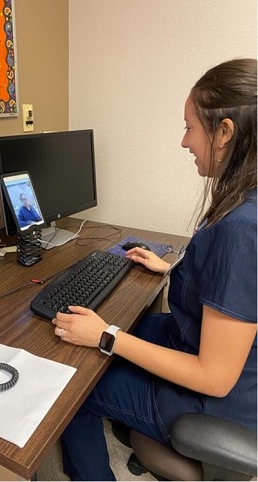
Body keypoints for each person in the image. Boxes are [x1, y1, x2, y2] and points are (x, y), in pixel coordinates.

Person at [52, 58, 257, 481]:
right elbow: (233, 285)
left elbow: (214, 378)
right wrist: (176, 267)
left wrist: (106, 336)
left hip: (216, 401)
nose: (185, 142)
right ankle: (131, 422)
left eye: (190, 127)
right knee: (119, 331)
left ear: (224, 133)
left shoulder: (242, 230)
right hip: (203, 342)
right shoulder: (245, 199)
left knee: (74, 387)